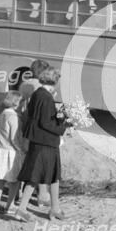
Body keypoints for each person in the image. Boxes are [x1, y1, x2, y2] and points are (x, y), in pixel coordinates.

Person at [15, 65, 68, 222]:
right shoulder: (46, 97)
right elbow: (46, 123)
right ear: (55, 81)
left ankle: (54, 208)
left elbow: (38, 118)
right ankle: (23, 209)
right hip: (46, 143)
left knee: (47, 176)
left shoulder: (38, 94)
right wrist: (64, 125)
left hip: (39, 141)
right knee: (41, 177)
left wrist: (59, 116)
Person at [0, 91, 26, 214]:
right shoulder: (13, 117)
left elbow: (0, 134)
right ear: (16, 103)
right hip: (11, 152)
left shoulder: (2, 114)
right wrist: (21, 149)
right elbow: (14, 137)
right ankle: (10, 205)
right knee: (14, 181)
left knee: (1, 179)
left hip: (1, 150)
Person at [18, 59, 51, 207]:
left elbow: (21, 104)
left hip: (25, 125)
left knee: (27, 160)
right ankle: (42, 195)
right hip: (38, 127)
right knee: (40, 162)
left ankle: (19, 193)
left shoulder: (24, 85)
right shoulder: (43, 87)